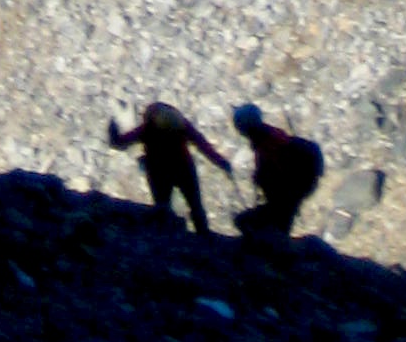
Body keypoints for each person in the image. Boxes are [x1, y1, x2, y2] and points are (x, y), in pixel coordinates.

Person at [107, 101, 230, 234]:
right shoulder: (182, 126)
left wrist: (112, 131)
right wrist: (222, 162)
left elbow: (119, 143)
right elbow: (203, 146)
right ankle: (203, 234)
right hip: (184, 169)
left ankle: (166, 235)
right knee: (195, 205)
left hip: (159, 173)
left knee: (163, 207)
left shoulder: (148, 129)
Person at [230, 102, 323, 239]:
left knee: (245, 222)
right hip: (292, 194)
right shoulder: (272, 136)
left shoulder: (267, 143)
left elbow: (277, 175)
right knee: (278, 227)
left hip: (285, 197)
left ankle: (279, 254)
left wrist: (261, 178)